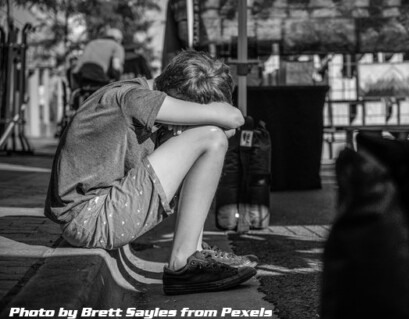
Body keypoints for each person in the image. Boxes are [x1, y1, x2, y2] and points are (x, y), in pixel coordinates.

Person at [45, 50, 258, 295]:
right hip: (90, 219)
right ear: (178, 99)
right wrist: (206, 126)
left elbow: (228, 125)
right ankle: (183, 262)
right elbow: (233, 118)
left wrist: (199, 126)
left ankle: (194, 252)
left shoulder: (135, 92)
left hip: (92, 213)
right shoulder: (137, 99)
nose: (179, 129)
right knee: (211, 139)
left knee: (210, 138)